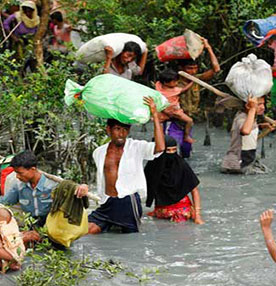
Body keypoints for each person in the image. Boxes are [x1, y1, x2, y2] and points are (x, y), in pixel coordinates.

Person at [87, 97, 164, 234]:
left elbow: (160, 148)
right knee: (86, 231)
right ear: (108, 130)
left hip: (128, 202)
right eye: (117, 129)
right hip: (107, 202)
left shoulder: (136, 147)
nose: (121, 134)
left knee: (131, 238)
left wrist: (155, 116)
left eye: (125, 129)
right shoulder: (98, 152)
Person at [0, 150, 88, 228]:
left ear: (32, 169)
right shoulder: (19, 186)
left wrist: (83, 187)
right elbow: (3, 203)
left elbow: (73, 193)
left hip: (52, 225)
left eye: (20, 173)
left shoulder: (53, 185)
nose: (17, 176)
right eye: (16, 173)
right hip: (31, 225)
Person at [174, 37, 220, 157]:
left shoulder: (197, 79)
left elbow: (216, 69)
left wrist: (208, 47)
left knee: (186, 151)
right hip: (174, 119)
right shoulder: (172, 81)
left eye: (195, 68)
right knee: (170, 147)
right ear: (181, 69)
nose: (193, 71)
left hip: (190, 119)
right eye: (189, 68)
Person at [144, 136, 203, 224]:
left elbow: (194, 190)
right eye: (168, 150)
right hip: (161, 210)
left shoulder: (181, 165)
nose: (171, 153)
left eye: (174, 150)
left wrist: (197, 215)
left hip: (181, 210)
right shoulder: (153, 166)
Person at [220, 96, 276, 174]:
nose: (263, 107)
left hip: (242, 163)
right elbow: (245, 131)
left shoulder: (248, 117)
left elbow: (249, 133)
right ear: (247, 106)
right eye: (259, 104)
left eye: (263, 104)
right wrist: (253, 109)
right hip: (237, 165)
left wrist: (263, 126)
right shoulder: (241, 118)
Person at [155, 69, 195, 150]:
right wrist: (192, 82)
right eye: (174, 82)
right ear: (166, 83)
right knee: (189, 121)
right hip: (174, 111)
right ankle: (186, 136)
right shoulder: (174, 90)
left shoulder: (158, 87)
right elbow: (184, 89)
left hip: (162, 111)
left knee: (158, 124)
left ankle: (159, 141)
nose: (176, 83)